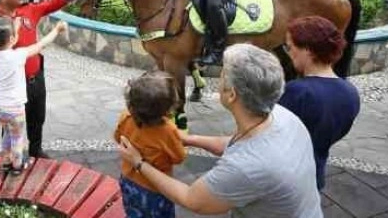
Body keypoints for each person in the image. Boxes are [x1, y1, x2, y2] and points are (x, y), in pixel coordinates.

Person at [118, 44, 322, 217]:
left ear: (232, 94)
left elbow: (191, 199)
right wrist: (188, 139)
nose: (219, 78)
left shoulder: (245, 167)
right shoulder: (280, 115)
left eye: (223, 74)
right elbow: (237, 143)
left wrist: (138, 162)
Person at [0, 0, 68, 158]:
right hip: (12, 90)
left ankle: (36, 150)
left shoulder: (29, 10)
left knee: (37, 118)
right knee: (12, 127)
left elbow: (56, 2)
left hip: (35, 78)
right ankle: (12, 160)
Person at [279, 16, 361, 190]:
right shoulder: (351, 93)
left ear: (308, 50)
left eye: (290, 47)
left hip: (285, 180)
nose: (288, 53)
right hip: (315, 177)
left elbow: (268, 136)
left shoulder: (297, 92)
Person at [0, 16, 67, 174]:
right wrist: (56, 30)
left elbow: (7, 39)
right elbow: (40, 45)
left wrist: (15, 27)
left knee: (8, 134)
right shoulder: (16, 56)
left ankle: (6, 161)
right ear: (11, 39)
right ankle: (17, 166)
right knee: (18, 138)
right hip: (14, 109)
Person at [113, 71, 186, 218]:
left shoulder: (126, 116)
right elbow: (179, 157)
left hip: (128, 180)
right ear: (168, 108)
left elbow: (117, 137)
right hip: (156, 188)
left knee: (133, 211)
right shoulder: (168, 131)